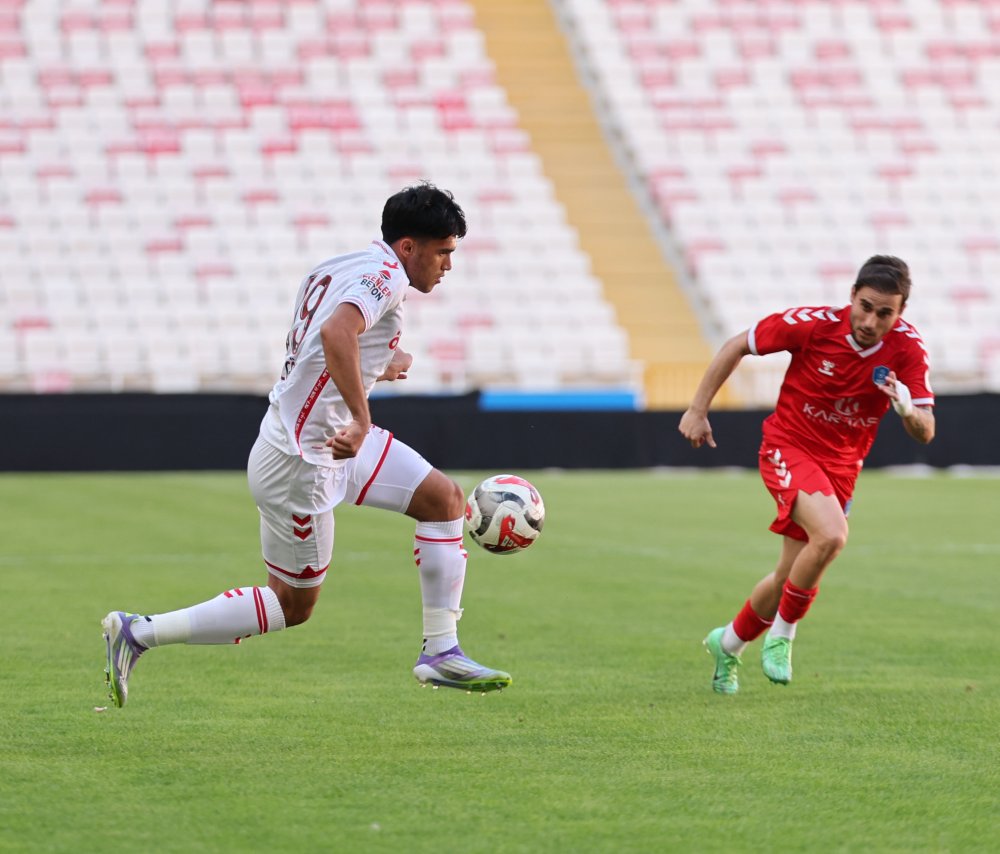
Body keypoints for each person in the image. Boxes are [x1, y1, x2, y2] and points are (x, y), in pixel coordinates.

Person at [102, 182, 512, 707]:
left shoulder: (341, 265)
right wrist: (361, 418)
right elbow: (335, 334)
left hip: (328, 438)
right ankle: (139, 632)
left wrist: (377, 362)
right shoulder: (386, 276)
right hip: (304, 460)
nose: (448, 265)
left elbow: (326, 337)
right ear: (408, 246)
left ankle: (441, 651)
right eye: (443, 252)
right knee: (292, 606)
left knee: (444, 500)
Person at [679, 255, 935, 694]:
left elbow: (926, 431)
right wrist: (697, 409)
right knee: (832, 536)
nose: (871, 321)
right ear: (852, 295)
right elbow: (738, 345)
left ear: (900, 312)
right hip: (788, 445)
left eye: (884, 313)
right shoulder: (812, 325)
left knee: (787, 576)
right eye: (865, 307)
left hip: (842, 468)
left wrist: (908, 409)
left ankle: (728, 643)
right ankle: (782, 636)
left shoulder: (908, 349)